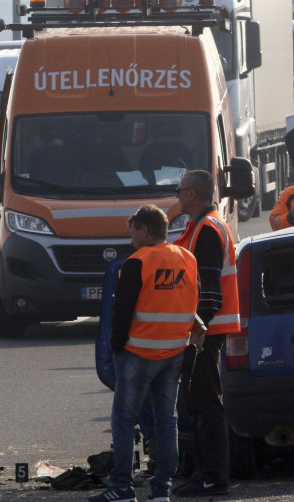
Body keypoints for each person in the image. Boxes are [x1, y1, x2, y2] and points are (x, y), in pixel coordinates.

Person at [89, 205, 205, 502]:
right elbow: (193, 300)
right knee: (168, 420)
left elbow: (122, 309)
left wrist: (116, 346)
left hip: (138, 352)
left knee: (124, 421)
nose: (131, 240)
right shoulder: (187, 258)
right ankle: (162, 488)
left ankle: (122, 488)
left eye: (133, 233)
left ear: (143, 229)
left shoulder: (137, 262)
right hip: (174, 352)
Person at [171, 171, 239, 497]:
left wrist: (194, 339)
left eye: (179, 190)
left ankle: (212, 476)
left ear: (194, 194)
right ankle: (205, 473)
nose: (176, 196)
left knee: (207, 406)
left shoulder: (208, 230)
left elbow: (209, 295)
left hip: (205, 333)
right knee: (199, 405)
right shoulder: (201, 226)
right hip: (205, 331)